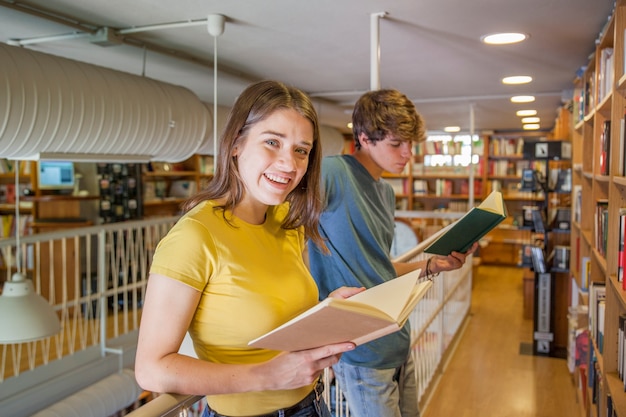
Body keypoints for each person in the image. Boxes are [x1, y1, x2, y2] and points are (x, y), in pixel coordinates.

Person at [134, 80, 363, 417]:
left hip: (311, 406)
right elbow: (152, 369)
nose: (289, 164)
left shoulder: (286, 219)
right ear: (237, 144)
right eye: (273, 142)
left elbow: (276, 316)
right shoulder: (195, 236)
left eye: (302, 150)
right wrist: (265, 376)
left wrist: (326, 312)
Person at [307, 89, 478, 417]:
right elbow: (284, 230)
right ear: (363, 138)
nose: (408, 153)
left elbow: (379, 269)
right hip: (361, 350)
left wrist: (433, 265)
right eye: (396, 144)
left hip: (397, 339)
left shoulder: (385, 193)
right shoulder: (333, 173)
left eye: (411, 144)